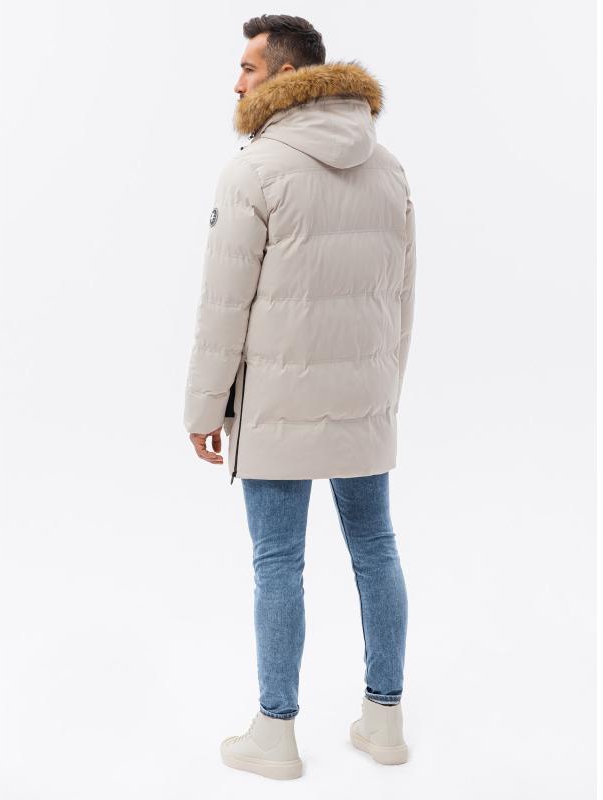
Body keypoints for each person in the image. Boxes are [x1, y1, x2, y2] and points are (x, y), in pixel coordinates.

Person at [183, 14, 417, 780]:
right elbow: (402, 299)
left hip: (277, 407)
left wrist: (204, 410)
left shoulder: (253, 171)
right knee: (376, 548)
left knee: (278, 562)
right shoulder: (388, 168)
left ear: (285, 75)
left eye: (248, 68)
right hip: (365, 401)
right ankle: (384, 722)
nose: (236, 82)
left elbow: (224, 308)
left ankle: (275, 734)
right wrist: (384, 390)